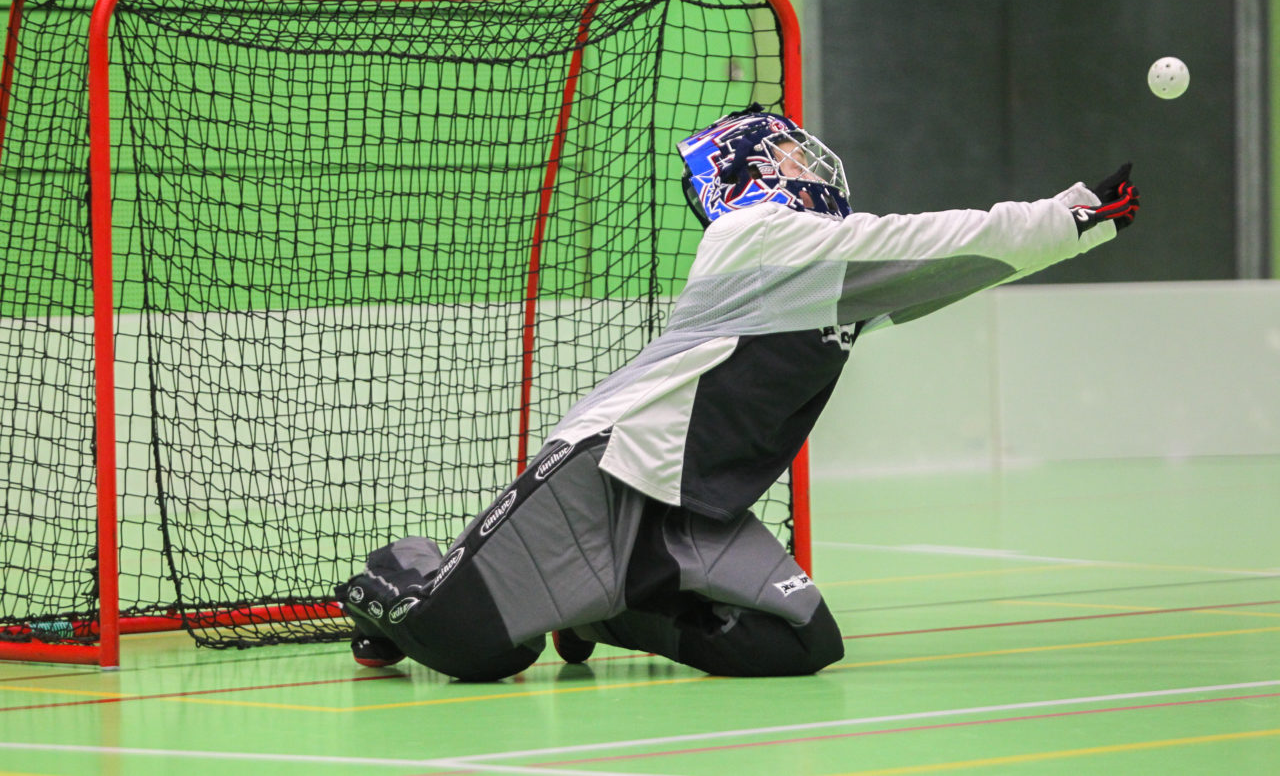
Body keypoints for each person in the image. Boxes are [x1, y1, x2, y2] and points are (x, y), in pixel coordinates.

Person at [335, 104, 1140, 681]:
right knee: (477, 651)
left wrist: (1075, 230)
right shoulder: (756, 238)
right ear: (746, 169)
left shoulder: (825, 277)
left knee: (801, 640)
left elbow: (952, 268)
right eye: (788, 155)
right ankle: (392, 580)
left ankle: (604, 609)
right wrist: (1072, 216)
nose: (806, 164)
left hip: (691, 506)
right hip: (607, 471)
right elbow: (934, 241)